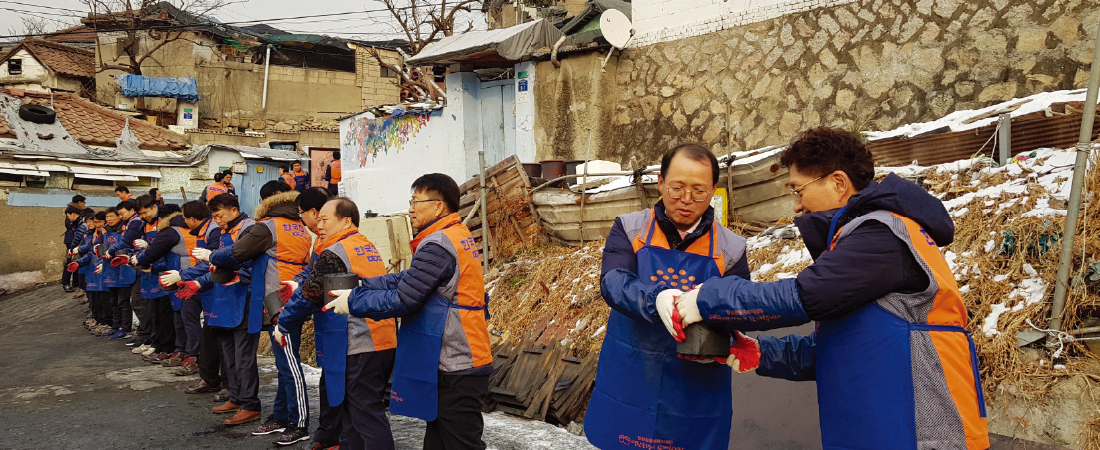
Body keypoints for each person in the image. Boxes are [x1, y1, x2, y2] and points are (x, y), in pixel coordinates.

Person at [664, 127, 989, 450]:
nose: (796, 206)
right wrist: (761, 353)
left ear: (837, 183)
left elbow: (804, 296)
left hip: (922, 435)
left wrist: (709, 299)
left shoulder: (883, 236)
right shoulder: (861, 243)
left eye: (798, 190)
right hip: (879, 432)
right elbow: (839, 349)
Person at [581, 143, 750, 450]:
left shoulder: (731, 248)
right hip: (631, 375)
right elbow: (614, 283)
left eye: (699, 190)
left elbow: (737, 305)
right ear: (660, 182)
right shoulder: (630, 228)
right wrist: (656, 299)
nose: (687, 199)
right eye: (677, 188)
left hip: (695, 387)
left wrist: (729, 330)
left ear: (713, 189)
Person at [325, 173, 492, 450]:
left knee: (460, 443)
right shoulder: (453, 235)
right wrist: (362, 285)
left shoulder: (438, 244)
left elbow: (405, 299)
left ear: (438, 206)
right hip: (460, 356)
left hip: (457, 360)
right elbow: (406, 279)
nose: (410, 208)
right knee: (439, 441)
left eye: (416, 201)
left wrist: (354, 302)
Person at [277, 197, 397, 450]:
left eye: (325, 219)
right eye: (317, 219)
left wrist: (283, 323)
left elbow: (311, 293)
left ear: (345, 221)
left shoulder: (335, 252)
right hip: (382, 335)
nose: (319, 225)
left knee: (365, 414)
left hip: (359, 340)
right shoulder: (363, 245)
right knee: (354, 412)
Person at [206, 181, 313, 443]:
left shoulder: (267, 226)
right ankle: (280, 416)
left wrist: (210, 257)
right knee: (283, 362)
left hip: (275, 302)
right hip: (292, 298)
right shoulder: (301, 227)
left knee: (288, 365)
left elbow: (237, 252)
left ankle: (297, 422)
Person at [191, 193, 262, 425]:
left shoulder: (249, 229)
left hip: (244, 298)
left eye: (220, 215)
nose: (218, 220)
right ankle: (236, 396)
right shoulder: (224, 232)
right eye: (214, 216)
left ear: (233, 209)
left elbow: (250, 263)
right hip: (224, 298)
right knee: (228, 353)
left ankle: (250, 404)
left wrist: (221, 263)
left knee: (244, 356)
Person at [141, 201, 205, 370]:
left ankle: (192, 355)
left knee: (188, 319)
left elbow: (151, 254)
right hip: (186, 277)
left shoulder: (171, 232)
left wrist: (139, 260)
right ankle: (181, 350)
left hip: (187, 279)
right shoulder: (192, 230)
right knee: (180, 318)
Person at [131, 195, 178, 364]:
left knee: (166, 316)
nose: (144, 216)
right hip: (151, 274)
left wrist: (148, 250)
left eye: (146, 212)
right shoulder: (145, 225)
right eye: (141, 214)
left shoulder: (167, 225)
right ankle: (155, 343)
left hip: (166, 273)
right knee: (154, 313)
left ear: (155, 207)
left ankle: (167, 347)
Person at [97, 207, 137, 340]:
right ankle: (115, 326)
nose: (109, 219)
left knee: (123, 301)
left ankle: (125, 328)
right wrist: (98, 250)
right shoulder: (104, 230)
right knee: (113, 301)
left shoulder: (127, 229)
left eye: (112, 216)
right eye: (107, 217)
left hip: (124, 267)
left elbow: (130, 246)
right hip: (110, 269)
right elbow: (97, 244)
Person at [62, 205, 84, 293]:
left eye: (68, 216)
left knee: (74, 262)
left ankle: (73, 283)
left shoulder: (81, 223)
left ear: (74, 214)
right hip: (74, 246)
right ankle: (66, 283)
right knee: (70, 262)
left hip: (78, 246)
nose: (68, 218)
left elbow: (79, 237)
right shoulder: (76, 222)